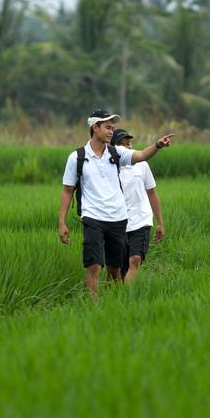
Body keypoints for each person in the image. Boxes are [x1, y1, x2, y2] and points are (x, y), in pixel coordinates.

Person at [58, 109, 173, 297]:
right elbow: (67, 190)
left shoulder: (117, 153)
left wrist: (157, 145)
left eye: (112, 128)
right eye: (107, 127)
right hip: (92, 217)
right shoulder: (77, 157)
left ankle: (116, 301)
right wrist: (61, 222)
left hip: (118, 219)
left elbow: (141, 155)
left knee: (114, 269)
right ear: (95, 127)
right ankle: (93, 311)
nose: (111, 132)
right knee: (93, 266)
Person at [110, 128, 164, 284]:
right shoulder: (109, 167)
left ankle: (126, 298)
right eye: (121, 142)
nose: (126, 144)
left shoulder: (141, 164)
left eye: (127, 140)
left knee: (135, 259)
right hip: (118, 221)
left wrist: (160, 222)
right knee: (118, 268)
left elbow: (152, 193)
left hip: (141, 220)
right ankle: (116, 298)